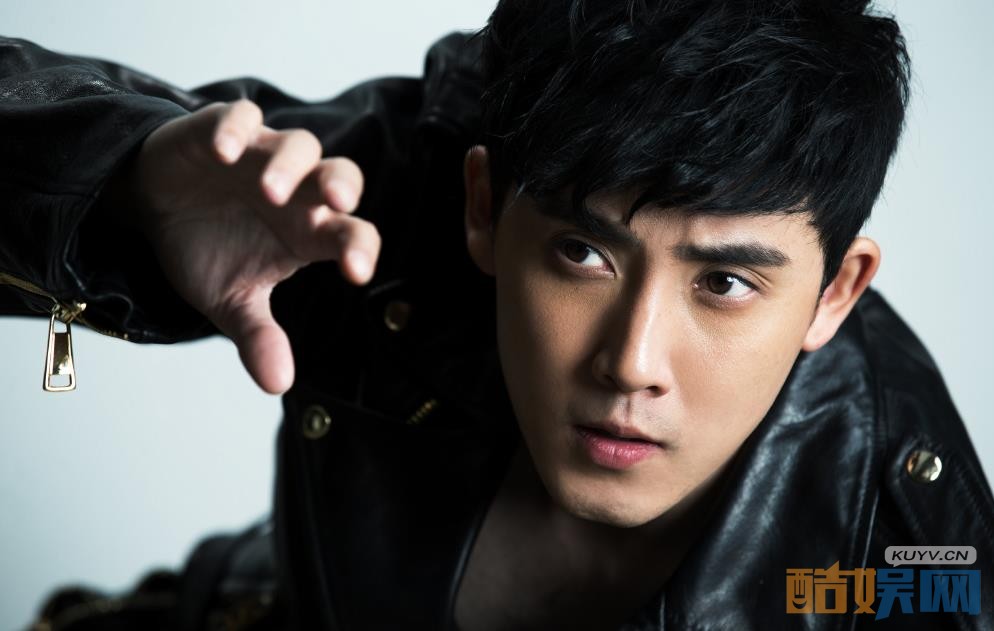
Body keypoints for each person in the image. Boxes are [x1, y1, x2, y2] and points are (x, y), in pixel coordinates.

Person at [2, 0, 993, 629]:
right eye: (582, 252)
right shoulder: (380, 209)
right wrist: (123, 185)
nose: (631, 362)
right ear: (483, 205)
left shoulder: (912, 547)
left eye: (724, 283)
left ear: (836, 290)